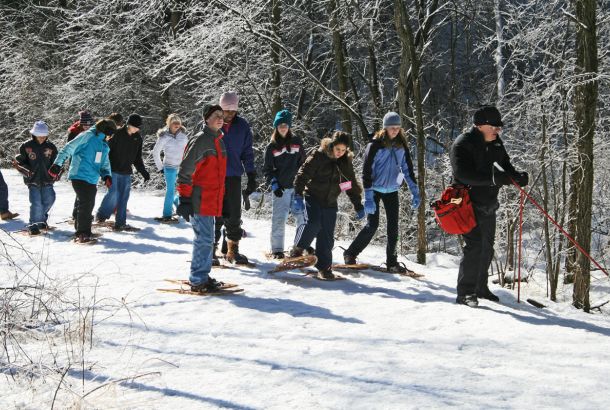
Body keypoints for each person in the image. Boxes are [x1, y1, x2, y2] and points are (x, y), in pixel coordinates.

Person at [450, 106, 529, 307]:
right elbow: (462, 175)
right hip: (465, 203)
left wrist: (516, 177)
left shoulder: (495, 143)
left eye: (499, 127)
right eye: (494, 126)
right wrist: (494, 179)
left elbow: (505, 165)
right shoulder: (463, 144)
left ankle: (480, 287)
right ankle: (465, 293)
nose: (498, 130)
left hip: (488, 203)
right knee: (475, 246)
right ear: (479, 126)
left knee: (487, 247)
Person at [342, 112, 420, 272]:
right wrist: (369, 197)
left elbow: (408, 170)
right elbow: (366, 172)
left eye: (398, 128)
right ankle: (350, 253)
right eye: (392, 128)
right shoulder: (375, 145)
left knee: (393, 227)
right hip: (375, 190)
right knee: (372, 225)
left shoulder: (401, 145)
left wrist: (415, 192)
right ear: (385, 128)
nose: (395, 131)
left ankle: (392, 261)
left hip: (392, 190)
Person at [290, 131, 364, 279]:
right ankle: (298, 248)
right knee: (313, 223)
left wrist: (358, 204)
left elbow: (348, 185)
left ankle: (324, 267)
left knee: (327, 237)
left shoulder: (344, 163)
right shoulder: (319, 156)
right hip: (313, 197)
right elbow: (303, 174)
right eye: (338, 149)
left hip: (330, 202)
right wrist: (298, 194)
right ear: (332, 146)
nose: (340, 153)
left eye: (343, 150)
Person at [176, 104, 228, 292]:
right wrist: (185, 199)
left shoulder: (219, 141)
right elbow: (185, 171)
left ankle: (202, 275)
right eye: (216, 115)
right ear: (206, 119)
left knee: (207, 239)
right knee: (204, 239)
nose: (220, 118)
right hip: (199, 199)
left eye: (222, 115)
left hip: (212, 199)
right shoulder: (200, 141)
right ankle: (197, 279)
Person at [49, 119, 116, 243]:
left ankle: (82, 229)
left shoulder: (103, 145)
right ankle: (83, 233)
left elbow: (104, 163)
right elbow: (69, 147)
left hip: (92, 178)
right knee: (86, 203)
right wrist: (57, 164)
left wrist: (107, 175)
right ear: (107, 132)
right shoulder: (87, 136)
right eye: (111, 135)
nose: (111, 138)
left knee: (87, 203)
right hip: (79, 175)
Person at [215, 91, 256, 264]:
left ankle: (232, 250)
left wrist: (252, 174)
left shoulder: (242, 126)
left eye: (233, 110)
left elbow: (247, 152)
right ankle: (210, 249)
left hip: (233, 176)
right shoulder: (212, 124)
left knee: (233, 215)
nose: (230, 114)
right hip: (214, 177)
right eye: (226, 110)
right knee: (215, 215)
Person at [262, 109, 306, 259]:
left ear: (289, 126)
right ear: (276, 126)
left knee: (303, 218)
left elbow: (304, 164)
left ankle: (299, 248)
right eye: (280, 125)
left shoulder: (297, 142)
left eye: (285, 125)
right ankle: (277, 250)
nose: (283, 127)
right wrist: (274, 184)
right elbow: (267, 170)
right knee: (279, 219)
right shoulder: (271, 146)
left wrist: (304, 184)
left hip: (297, 189)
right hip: (281, 189)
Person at [95, 113, 150, 230]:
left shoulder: (137, 138)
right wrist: (103, 169)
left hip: (126, 171)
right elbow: (106, 151)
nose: (137, 129)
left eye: (138, 127)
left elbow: (137, 158)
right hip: (113, 169)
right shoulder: (117, 134)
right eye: (135, 126)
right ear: (129, 124)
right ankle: (101, 215)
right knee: (113, 193)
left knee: (124, 196)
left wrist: (143, 171)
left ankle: (121, 222)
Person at [13, 121, 58, 235]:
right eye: (39, 135)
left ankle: (41, 219)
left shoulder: (51, 147)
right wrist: (26, 170)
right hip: (32, 180)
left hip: (47, 179)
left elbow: (57, 162)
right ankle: (33, 224)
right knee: (36, 203)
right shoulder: (26, 146)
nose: (42, 137)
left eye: (44, 135)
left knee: (50, 199)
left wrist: (57, 171)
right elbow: (21, 162)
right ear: (34, 134)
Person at [152, 113, 189, 223]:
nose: (177, 125)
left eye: (178, 122)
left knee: (181, 190)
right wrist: (160, 167)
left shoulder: (183, 136)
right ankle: (167, 215)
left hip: (181, 167)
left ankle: (177, 205)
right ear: (169, 124)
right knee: (170, 190)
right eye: (174, 123)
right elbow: (156, 152)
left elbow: (188, 151)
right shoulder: (164, 136)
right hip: (169, 167)